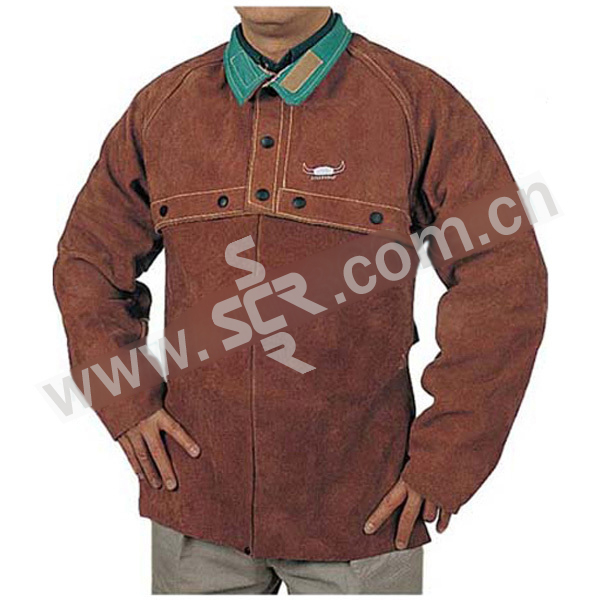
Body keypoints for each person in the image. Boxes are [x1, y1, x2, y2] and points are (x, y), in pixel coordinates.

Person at [53, 6, 548, 594]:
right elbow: (87, 261)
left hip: (366, 515)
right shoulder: (163, 108)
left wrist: (447, 459)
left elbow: (504, 280)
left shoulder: (417, 105)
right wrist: (124, 399)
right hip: (195, 501)